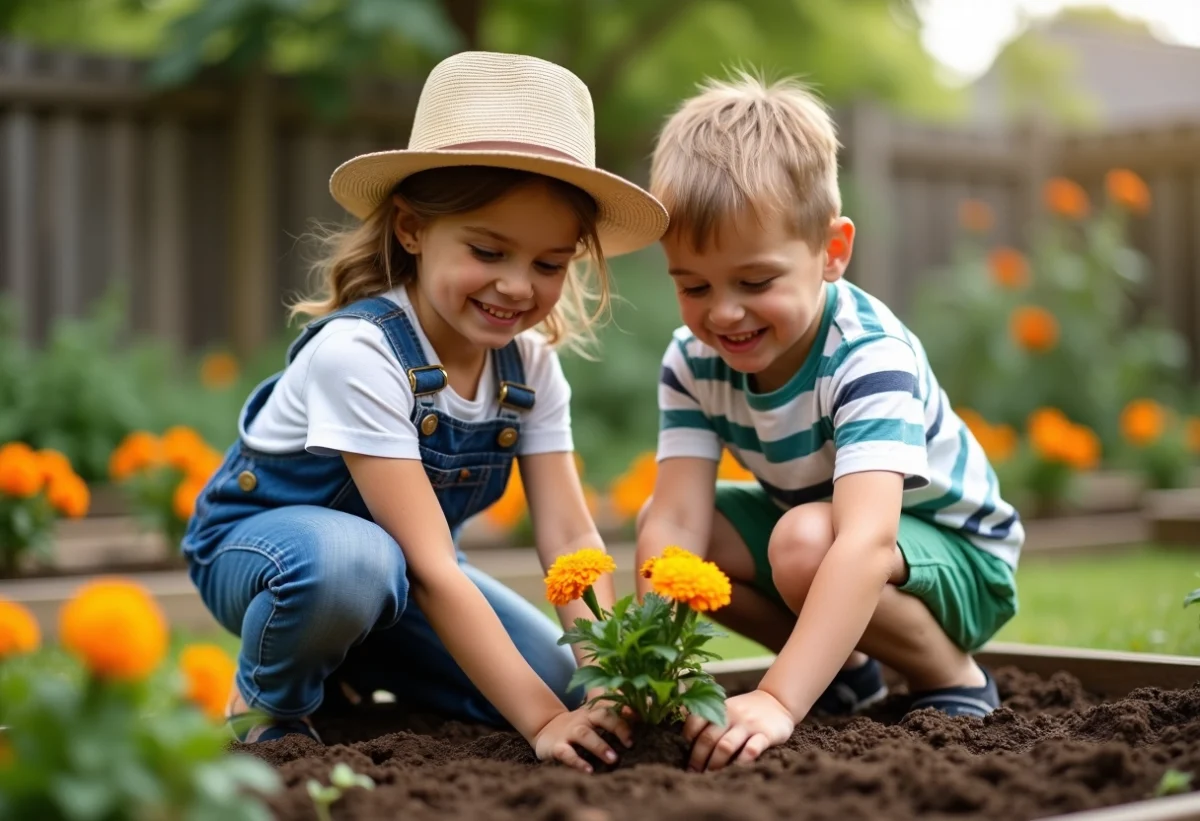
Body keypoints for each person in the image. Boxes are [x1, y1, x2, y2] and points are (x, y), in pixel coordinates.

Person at [181, 51, 669, 774]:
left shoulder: (528, 368)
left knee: (559, 675)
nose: (516, 285)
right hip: (271, 558)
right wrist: (541, 723)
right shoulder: (362, 353)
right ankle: (269, 710)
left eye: (547, 263)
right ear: (411, 229)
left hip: (405, 582)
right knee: (352, 562)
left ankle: (346, 673)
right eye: (488, 249)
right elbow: (435, 565)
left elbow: (570, 535)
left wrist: (604, 674)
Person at [635, 71, 1023, 773]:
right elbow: (676, 524)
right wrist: (655, 676)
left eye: (755, 282)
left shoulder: (866, 355)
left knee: (807, 541)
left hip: (960, 561)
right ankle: (846, 671)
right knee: (675, 538)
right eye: (693, 285)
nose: (724, 312)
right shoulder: (693, 361)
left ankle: (953, 677)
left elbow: (867, 539)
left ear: (832, 252)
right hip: (825, 547)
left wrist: (779, 698)